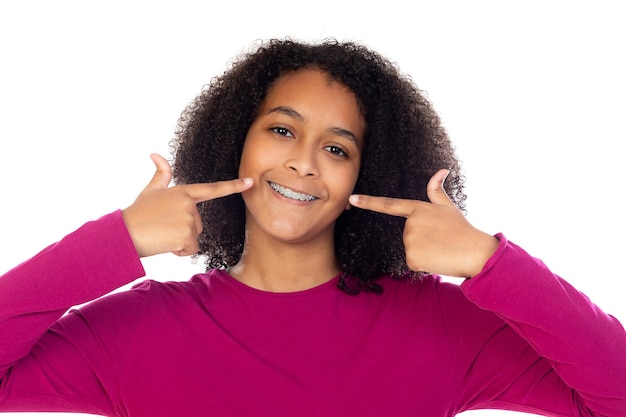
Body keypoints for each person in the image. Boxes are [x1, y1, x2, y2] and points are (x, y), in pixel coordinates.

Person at [0, 39, 624, 417]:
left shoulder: (437, 324)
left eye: (337, 148)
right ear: (234, 145)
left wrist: (492, 261)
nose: (302, 159)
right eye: (281, 130)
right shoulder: (133, 332)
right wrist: (114, 242)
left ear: (366, 174)